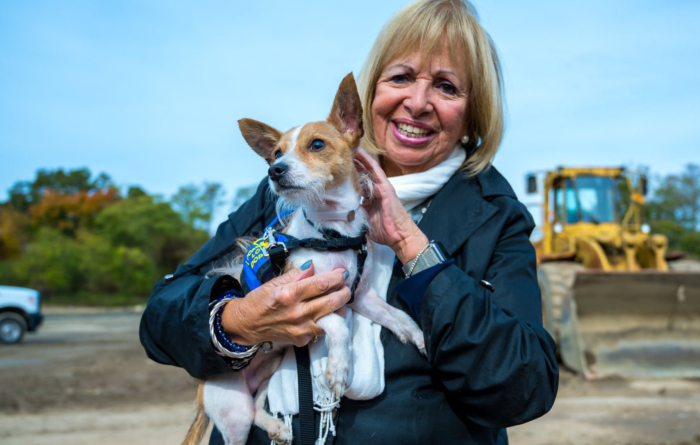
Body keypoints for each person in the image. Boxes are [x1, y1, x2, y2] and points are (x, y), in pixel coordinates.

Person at [139, 0, 558, 443]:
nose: (417, 102)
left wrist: (412, 248)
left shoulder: (495, 216)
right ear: (368, 96)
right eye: (399, 78)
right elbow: (161, 318)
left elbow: (523, 387)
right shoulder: (289, 194)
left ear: (475, 113)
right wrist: (236, 321)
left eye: (447, 87)